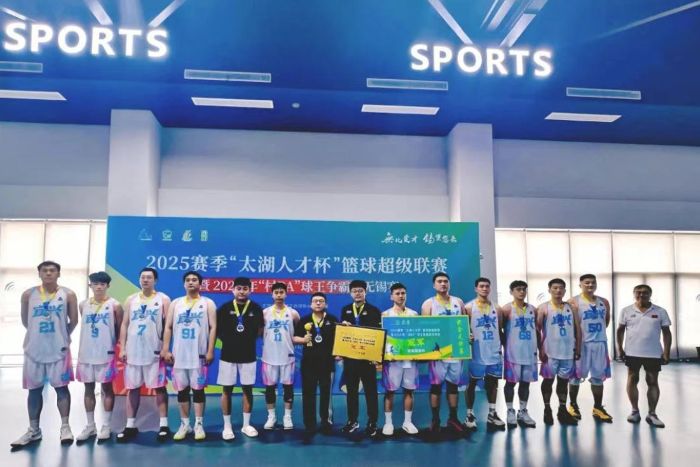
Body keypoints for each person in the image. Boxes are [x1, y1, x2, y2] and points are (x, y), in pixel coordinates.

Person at [11, 261, 79, 448]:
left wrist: (61, 336)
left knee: (61, 388)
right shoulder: (28, 294)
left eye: (52, 270)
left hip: (59, 350)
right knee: (34, 390)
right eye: (45, 271)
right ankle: (34, 430)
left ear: (58, 274)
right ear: (39, 273)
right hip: (34, 349)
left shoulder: (68, 294)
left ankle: (65, 428)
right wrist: (38, 336)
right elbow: (26, 321)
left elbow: (73, 320)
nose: (48, 273)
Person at [117, 267, 171, 443]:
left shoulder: (163, 299)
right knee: (133, 388)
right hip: (133, 351)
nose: (145, 280)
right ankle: (130, 425)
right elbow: (125, 324)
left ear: (155, 280)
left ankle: (164, 425)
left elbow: (168, 326)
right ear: (139, 280)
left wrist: (165, 348)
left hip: (154, 352)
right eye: (143, 277)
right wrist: (122, 348)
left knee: (160, 388)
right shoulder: (131, 299)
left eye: (149, 277)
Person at [161, 271, 217, 441]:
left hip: (198, 355)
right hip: (179, 355)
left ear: (200, 284)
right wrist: (166, 349)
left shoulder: (207, 303)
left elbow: (213, 327)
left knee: (198, 390)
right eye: (188, 280)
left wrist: (210, 350)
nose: (191, 282)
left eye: (194, 280)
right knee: (182, 391)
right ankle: (185, 424)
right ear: (184, 284)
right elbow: (168, 327)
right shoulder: (176, 303)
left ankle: (199, 424)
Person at [75, 271, 123, 442]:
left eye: (102, 284)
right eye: (95, 284)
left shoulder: (115, 305)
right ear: (90, 285)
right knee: (88, 389)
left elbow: (119, 330)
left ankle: (106, 426)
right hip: (86, 353)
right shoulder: (83, 305)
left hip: (106, 353)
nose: (99, 287)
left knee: (107, 389)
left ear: (108, 286)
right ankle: (90, 426)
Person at [617, 284, 672, 428]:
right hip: (632, 353)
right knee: (632, 379)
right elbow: (620, 330)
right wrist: (620, 349)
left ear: (650, 294)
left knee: (652, 381)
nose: (641, 295)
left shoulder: (660, 311)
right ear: (634, 294)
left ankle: (652, 414)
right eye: (638, 292)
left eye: (645, 292)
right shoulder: (626, 311)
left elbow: (666, 333)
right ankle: (634, 411)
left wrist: (666, 352)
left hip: (653, 353)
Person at [216, 277, 264, 440]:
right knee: (226, 390)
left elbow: (260, 330)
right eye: (239, 288)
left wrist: (246, 341)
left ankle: (246, 425)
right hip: (228, 355)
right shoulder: (225, 308)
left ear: (250, 290)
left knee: (247, 389)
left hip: (248, 355)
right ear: (233, 290)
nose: (242, 291)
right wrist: (231, 341)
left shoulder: (256, 308)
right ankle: (227, 426)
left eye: (245, 289)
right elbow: (218, 330)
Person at [421, 272, 467, 435]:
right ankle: (435, 419)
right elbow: (424, 329)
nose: (443, 284)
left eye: (446, 281)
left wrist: (468, 336)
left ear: (449, 284)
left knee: (453, 386)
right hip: (438, 353)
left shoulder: (458, 302)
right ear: (434, 285)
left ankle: (453, 418)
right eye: (439, 281)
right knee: (436, 386)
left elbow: (464, 324)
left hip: (455, 352)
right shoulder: (429, 304)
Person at [568, 274, 613, 423]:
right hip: (582, 344)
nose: (590, 285)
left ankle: (598, 407)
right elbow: (571, 325)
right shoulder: (573, 302)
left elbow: (606, 322)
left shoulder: (604, 302)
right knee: (575, 376)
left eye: (593, 282)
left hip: (599, 343)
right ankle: (573, 405)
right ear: (580, 285)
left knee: (598, 377)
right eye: (586, 283)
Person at [339, 279, 382, 438]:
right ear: (350, 293)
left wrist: (377, 357)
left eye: (360, 291)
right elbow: (343, 335)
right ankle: (352, 420)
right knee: (351, 391)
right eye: (354, 291)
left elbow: (378, 334)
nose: (357, 293)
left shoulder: (374, 310)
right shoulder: (345, 310)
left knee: (371, 391)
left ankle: (372, 422)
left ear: (365, 292)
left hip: (368, 358)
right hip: (350, 358)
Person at [294, 292, 338, 440]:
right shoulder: (304, 320)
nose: (318, 303)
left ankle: (325, 421)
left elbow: (340, 339)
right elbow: (294, 337)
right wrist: (303, 339)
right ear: (311, 304)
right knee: (308, 394)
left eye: (321, 301)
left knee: (326, 394)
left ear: (326, 304)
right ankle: (310, 424)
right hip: (309, 363)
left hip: (327, 363)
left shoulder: (332, 320)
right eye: (315, 301)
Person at [537, 278, 580, 426]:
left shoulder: (571, 308)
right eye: (555, 288)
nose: (558, 290)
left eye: (561, 288)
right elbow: (537, 330)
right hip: (550, 352)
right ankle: (547, 409)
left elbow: (577, 329)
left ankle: (562, 410)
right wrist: (540, 349)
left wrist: (578, 348)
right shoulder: (543, 308)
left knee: (563, 382)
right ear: (549, 290)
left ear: (565, 290)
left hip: (568, 352)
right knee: (548, 381)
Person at [465, 277, 505, 431]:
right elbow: (465, 330)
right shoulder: (469, 308)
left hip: (494, 351)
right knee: (472, 383)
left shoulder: (497, 308)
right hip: (477, 352)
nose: (484, 289)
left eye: (487, 286)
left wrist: (503, 349)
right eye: (481, 286)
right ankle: (469, 414)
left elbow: (500, 330)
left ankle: (492, 413)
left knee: (493, 383)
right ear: (476, 288)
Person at [381, 283, 419, 436]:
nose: (401, 296)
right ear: (391, 296)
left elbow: (419, 335)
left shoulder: (414, 314)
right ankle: (388, 423)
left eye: (403, 293)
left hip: (410, 358)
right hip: (392, 360)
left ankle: (407, 422)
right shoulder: (385, 315)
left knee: (409, 390)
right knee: (390, 391)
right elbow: (382, 339)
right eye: (397, 293)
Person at [261, 282, 300, 431]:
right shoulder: (265, 313)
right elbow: (259, 332)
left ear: (286, 294)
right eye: (276, 292)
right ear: (272, 295)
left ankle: (287, 416)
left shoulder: (293, 313)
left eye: (281, 292)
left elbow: (297, 331)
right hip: (269, 356)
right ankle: (271, 416)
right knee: (269, 388)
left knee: (288, 387)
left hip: (287, 356)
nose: (279, 295)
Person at [501, 280, 537, 428]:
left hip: (529, 352)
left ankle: (523, 411)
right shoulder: (506, 309)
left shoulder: (532, 309)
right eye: (518, 289)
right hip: (513, 353)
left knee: (525, 383)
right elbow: (499, 330)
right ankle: (510, 410)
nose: (522, 292)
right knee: (510, 383)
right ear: (511, 292)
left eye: (524, 289)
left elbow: (537, 330)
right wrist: (506, 346)